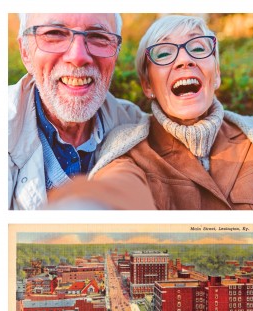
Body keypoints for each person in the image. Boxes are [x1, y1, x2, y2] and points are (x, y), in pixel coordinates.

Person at [85, 14, 253, 210]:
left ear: (217, 75)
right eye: (163, 54)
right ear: (147, 85)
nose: (185, 60)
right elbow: (117, 191)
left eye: (198, 48)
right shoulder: (127, 149)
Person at [8, 13, 154, 210]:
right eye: (54, 34)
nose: (77, 57)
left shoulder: (139, 128)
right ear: (25, 52)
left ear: (116, 53)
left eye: (98, 37)